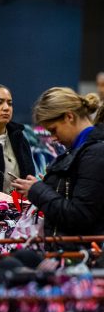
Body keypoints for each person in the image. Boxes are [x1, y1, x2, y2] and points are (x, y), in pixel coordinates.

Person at [12, 87, 104, 236]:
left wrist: (37, 190)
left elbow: (79, 215)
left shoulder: (95, 153)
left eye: (53, 130)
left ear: (69, 117)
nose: (53, 138)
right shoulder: (80, 151)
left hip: (79, 253)